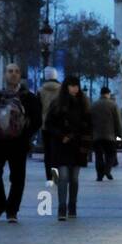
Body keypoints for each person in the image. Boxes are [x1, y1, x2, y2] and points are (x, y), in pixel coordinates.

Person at [0, 62, 42, 223]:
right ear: (4, 75)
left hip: (18, 143)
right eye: (9, 71)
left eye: (16, 71)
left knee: (17, 177)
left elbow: (37, 120)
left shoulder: (29, 97)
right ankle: (0, 204)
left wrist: (25, 135)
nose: (13, 74)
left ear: (20, 75)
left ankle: (12, 210)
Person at [44, 75, 92, 220]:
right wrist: (60, 135)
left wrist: (86, 142)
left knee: (74, 179)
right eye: (72, 85)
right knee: (63, 177)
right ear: (66, 87)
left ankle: (72, 205)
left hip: (78, 146)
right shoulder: (57, 104)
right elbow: (49, 124)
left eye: (76, 85)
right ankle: (62, 207)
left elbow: (89, 125)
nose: (75, 88)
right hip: (62, 145)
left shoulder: (83, 104)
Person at [90, 86, 122, 181]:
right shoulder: (113, 105)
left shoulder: (94, 105)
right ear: (108, 94)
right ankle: (107, 170)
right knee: (111, 154)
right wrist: (119, 138)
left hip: (97, 136)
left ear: (100, 94)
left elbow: (90, 121)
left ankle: (99, 175)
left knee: (98, 155)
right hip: (110, 136)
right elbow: (118, 122)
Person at [39, 67, 61, 182]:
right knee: (57, 152)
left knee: (47, 152)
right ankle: (56, 175)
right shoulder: (62, 90)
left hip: (45, 125)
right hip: (59, 125)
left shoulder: (40, 90)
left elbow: (38, 108)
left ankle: (49, 177)